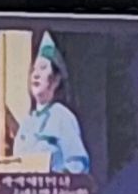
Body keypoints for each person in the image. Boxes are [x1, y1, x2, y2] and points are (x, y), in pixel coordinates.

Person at [13, 34, 92, 176]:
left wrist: (58, 178)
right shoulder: (27, 122)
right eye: (34, 69)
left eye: (43, 68)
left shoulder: (62, 116)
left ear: (56, 80)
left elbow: (77, 164)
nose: (36, 74)